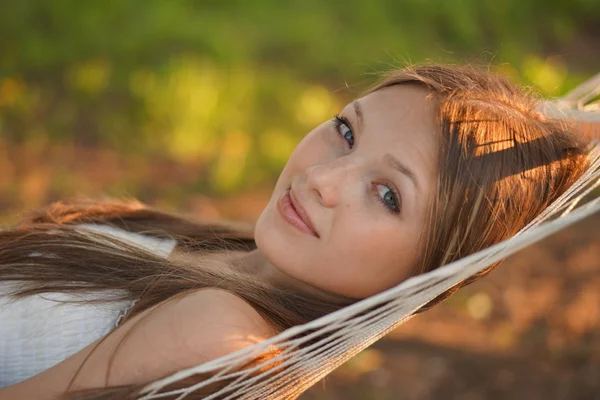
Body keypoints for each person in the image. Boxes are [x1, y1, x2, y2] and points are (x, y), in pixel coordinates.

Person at [0, 64, 591, 400]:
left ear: (433, 269)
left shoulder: (218, 335)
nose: (322, 180)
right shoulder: (233, 255)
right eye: (346, 131)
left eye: (388, 195)